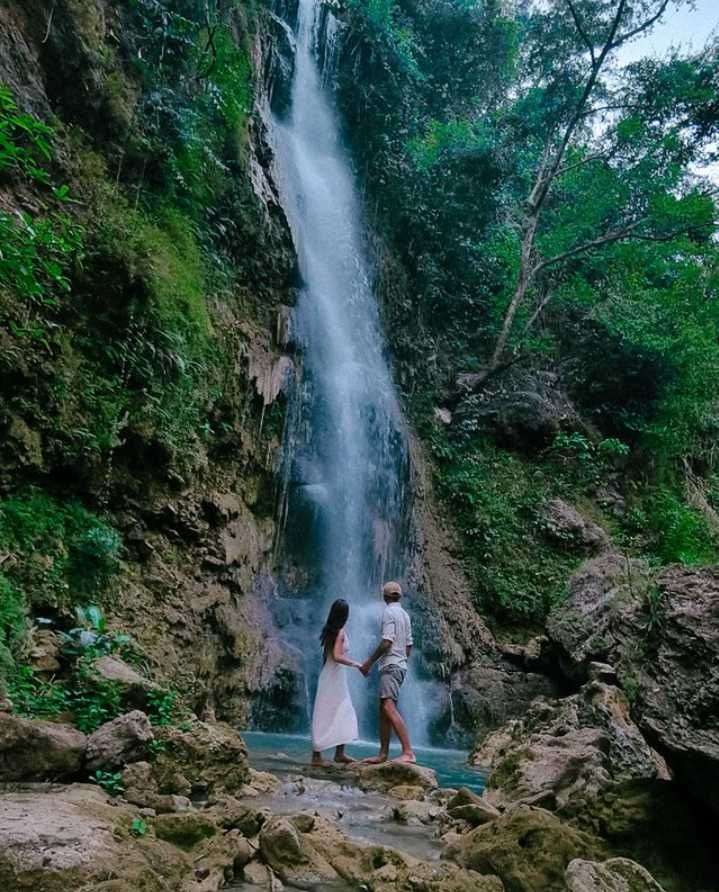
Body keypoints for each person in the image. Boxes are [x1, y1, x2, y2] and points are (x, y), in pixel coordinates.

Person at [360, 581, 415, 764]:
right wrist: (402, 662)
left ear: (384, 596)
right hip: (399, 666)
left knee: (388, 707)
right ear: (399, 596)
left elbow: (386, 642)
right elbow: (409, 645)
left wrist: (369, 661)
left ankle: (408, 751)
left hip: (391, 665)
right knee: (383, 709)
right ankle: (383, 753)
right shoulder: (405, 615)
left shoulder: (388, 613)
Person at [311, 598, 362, 766]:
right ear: (344, 615)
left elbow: (327, 656)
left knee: (325, 711)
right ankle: (337, 754)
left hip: (329, 674)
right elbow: (337, 656)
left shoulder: (328, 631)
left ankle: (320, 754)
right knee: (342, 710)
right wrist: (356, 664)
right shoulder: (339, 632)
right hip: (335, 675)